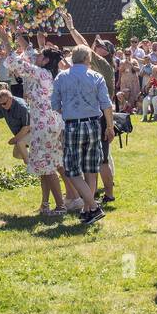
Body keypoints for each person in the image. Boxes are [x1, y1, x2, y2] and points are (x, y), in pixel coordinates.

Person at [0, 28, 67, 216]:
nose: (36, 55)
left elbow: (17, 63)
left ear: (45, 60)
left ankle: (60, 206)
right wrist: (17, 34)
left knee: (49, 167)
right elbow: (29, 52)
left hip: (45, 125)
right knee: (45, 166)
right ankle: (45, 205)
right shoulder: (49, 72)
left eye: (40, 55)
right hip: (48, 123)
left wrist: (6, 41)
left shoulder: (42, 74)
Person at [51, 44, 113, 226]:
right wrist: (109, 126)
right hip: (94, 124)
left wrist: (68, 111)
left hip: (73, 125)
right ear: (88, 59)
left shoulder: (62, 77)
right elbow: (106, 103)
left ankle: (91, 207)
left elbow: (55, 104)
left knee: (72, 169)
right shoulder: (96, 76)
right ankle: (89, 209)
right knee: (90, 168)